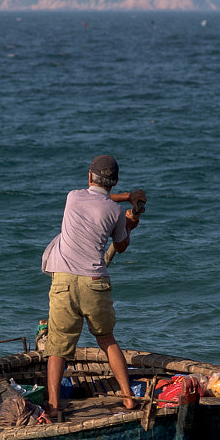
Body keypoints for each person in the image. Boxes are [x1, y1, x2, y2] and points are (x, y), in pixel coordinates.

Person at [39, 155, 146, 421]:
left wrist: (127, 198)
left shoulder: (73, 197)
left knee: (57, 348)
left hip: (63, 281)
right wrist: (130, 222)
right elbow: (120, 246)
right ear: (116, 181)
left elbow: (100, 198)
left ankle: (53, 406)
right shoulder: (115, 212)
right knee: (107, 339)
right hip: (94, 282)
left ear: (89, 177)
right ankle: (128, 398)